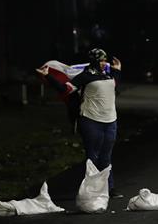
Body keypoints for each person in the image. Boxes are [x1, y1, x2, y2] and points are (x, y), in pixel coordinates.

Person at [36, 48, 123, 198]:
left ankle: (110, 188)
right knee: (93, 157)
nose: (104, 63)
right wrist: (48, 76)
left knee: (106, 157)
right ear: (94, 61)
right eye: (101, 60)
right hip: (91, 121)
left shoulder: (107, 74)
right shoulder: (85, 76)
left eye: (105, 60)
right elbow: (65, 89)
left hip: (110, 121)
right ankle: (93, 190)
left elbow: (114, 86)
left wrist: (117, 71)